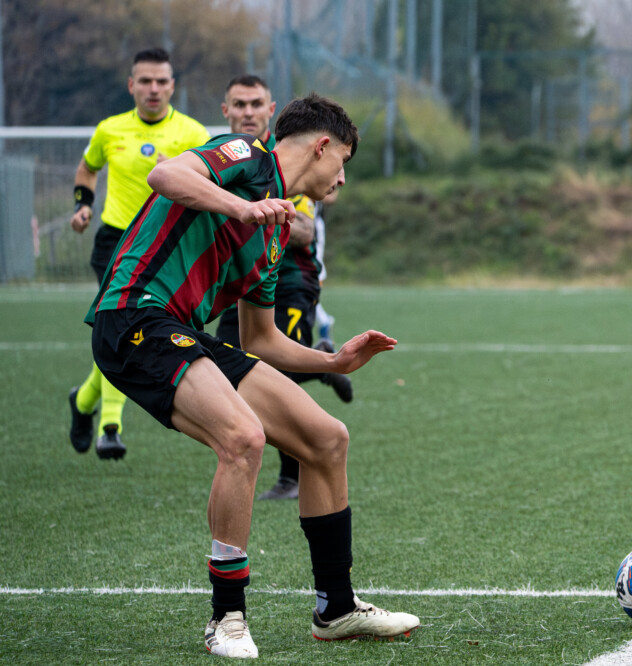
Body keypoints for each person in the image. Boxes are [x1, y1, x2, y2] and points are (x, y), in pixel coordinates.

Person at [85, 94, 418, 657]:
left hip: (183, 331)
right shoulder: (245, 158)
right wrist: (240, 207)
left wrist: (333, 361)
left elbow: (261, 340)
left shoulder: (273, 233)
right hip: (134, 315)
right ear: (322, 146)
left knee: (326, 438)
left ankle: (336, 610)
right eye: (344, 163)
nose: (341, 179)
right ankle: (227, 618)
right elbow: (167, 174)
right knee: (243, 438)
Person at [67, 47, 210, 460]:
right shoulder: (109, 129)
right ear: (131, 85)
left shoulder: (194, 134)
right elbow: (87, 168)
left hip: (163, 250)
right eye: (144, 80)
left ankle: (82, 403)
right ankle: (110, 427)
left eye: (161, 81)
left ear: (172, 87)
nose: (153, 88)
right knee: (120, 330)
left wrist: (182, 170)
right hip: (115, 244)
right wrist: (83, 204)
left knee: (124, 335)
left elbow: (215, 186)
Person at [214, 75, 352, 501]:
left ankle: (292, 474)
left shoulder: (290, 167)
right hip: (242, 280)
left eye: (257, 104)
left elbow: (307, 228)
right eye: (240, 104)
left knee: (276, 370)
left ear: (270, 112)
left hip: (291, 281)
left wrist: (258, 212)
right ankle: (317, 376)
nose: (248, 112)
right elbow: (170, 176)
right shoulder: (229, 157)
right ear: (227, 111)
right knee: (228, 365)